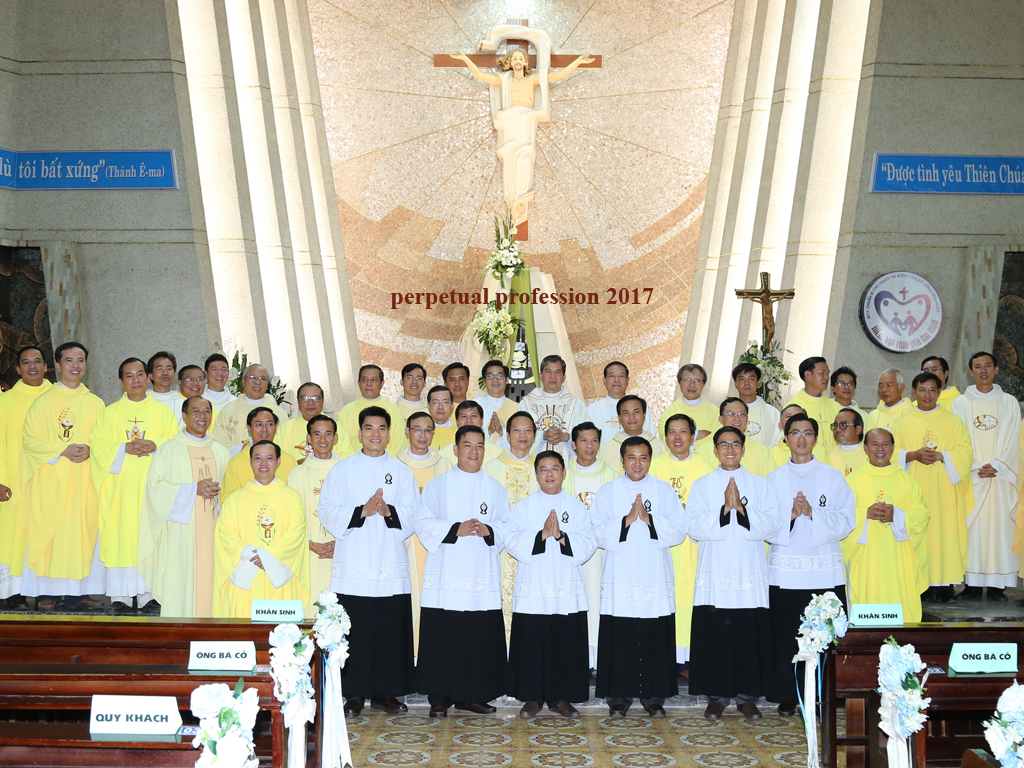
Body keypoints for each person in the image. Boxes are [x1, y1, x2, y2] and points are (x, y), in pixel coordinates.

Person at [318, 407, 418, 716]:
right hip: (354, 564)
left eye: (382, 428)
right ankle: (354, 693)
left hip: (390, 562)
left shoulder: (401, 472)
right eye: (369, 428)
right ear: (359, 433)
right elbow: (327, 510)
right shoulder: (342, 470)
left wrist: (388, 511)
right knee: (355, 631)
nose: (376, 434)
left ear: (389, 433)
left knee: (389, 631)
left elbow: (414, 513)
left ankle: (386, 693)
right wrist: (362, 511)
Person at [685, 426, 783, 721]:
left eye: (735, 444)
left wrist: (741, 509)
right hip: (715, 573)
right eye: (724, 444)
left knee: (747, 636)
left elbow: (774, 525)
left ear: (743, 448)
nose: (730, 449)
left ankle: (747, 697)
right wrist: (723, 511)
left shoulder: (760, 485)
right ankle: (717, 697)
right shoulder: (702, 485)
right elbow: (692, 527)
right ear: (715, 450)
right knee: (716, 637)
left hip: (749, 573)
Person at [414, 425, 510, 718]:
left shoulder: (495, 489)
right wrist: (456, 528)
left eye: (479, 446)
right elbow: (422, 522)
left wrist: (488, 530)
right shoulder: (438, 486)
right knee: (444, 634)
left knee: (477, 635)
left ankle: (473, 696)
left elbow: (507, 528)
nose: (474, 451)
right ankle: (439, 697)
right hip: (446, 573)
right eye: (467, 445)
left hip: (480, 573)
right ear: (455, 449)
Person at [765, 415, 855, 715]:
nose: (801, 439)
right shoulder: (774, 479)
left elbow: (847, 520)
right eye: (795, 433)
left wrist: (814, 513)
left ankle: (822, 693)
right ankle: (787, 694)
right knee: (786, 636)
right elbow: (764, 524)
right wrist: (791, 515)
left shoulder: (832, 477)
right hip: (786, 573)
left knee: (823, 637)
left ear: (816, 438)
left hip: (824, 573)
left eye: (807, 433)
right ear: (786, 438)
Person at [593, 436, 686, 718]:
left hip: (654, 573)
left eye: (643, 457)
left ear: (650, 460)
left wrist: (649, 519)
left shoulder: (663, 490)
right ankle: (618, 699)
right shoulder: (608, 491)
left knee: (654, 636)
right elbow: (595, 532)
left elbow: (680, 531)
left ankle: (654, 697)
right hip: (620, 574)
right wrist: (626, 520)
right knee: (620, 637)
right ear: (622, 460)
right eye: (631, 457)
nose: (637, 463)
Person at [506, 451, 596, 719]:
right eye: (543, 469)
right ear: (536, 474)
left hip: (565, 587)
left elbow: (588, 544)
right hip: (533, 586)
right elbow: (511, 542)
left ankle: (562, 698)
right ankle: (532, 697)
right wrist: (542, 535)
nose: (549, 474)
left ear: (564, 473)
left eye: (555, 469)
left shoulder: (576, 508)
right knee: (532, 644)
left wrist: (561, 536)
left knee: (566, 644)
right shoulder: (523, 507)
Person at [18, 342, 106, 611]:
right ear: (57, 365)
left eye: (80, 360)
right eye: (69, 360)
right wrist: (62, 450)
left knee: (82, 535)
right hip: (51, 480)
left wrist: (92, 450)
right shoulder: (43, 402)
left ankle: (78, 593)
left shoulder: (96, 403)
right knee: (51, 533)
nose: (75, 366)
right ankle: (47, 593)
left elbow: (106, 442)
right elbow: (29, 440)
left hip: (85, 482)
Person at [90, 358, 179, 614]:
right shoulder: (109, 413)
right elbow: (97, 447)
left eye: (140, 374)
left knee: (150, 538)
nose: (135, 380)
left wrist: (155, 444)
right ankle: (121, 595)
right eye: (129, 376)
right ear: (121, 382)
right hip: (120, 492)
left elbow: (176, 445)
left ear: (148, 377)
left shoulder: (163, 412)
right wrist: (123, 448)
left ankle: (149, 593)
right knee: (121, 539)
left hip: (152, 491)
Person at [137, 396, 229, 617]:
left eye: (206, 411)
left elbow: (229, 492)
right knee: (182, 584)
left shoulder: (221, 451)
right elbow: (154, 489)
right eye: (195, 411)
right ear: (184, 416)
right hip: (180, 534)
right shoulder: (168, 450)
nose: (202, 416)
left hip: (214, 531)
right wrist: (193, 489)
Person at [891, 372, 974, 603]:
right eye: (922, 389)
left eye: (931, 390)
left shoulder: (953, 422)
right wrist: (912, 455)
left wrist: (943, 455)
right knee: (918, 533)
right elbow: (891, 452)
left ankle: (945, 584)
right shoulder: (902, 422)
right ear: (913, 392)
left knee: (944, 534)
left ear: (939, 392)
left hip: (945, 491)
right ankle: (920, 584)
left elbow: (966, 452)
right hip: (914, 490)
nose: (927, 394)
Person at [950, 352, 1021, 600]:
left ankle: (998, 586)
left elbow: (1016, 438)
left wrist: (999, 465)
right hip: (973, 477)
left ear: (997, 370)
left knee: (1001, 528)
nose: (983, 371)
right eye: (978, 367)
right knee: (971, 530)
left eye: (988, 366)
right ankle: (971, 584)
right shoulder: (959, 404)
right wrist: (976, 465)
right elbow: (956, 440)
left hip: (1001, 478)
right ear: (970, 372)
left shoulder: (1009, 402)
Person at [212, 441, 310, 618]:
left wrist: (267, 557)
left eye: (269, 458)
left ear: (278, 462)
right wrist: (252, 554)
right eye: (258, 458)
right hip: (245, 578)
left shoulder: (292, 497)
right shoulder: (234, 499)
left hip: (280, 578)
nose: (263, 464)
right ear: (250, 461)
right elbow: (225, 534)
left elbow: (296, 534)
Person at [842, 429, 929, 622]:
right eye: (874, 444)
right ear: (865, 448)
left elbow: (922, 516)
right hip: (864, 559)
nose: (880, 449)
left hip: (899, 559)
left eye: (885, 444)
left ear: (893, 448)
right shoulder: (851, 482)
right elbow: (839, 517)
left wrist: (897, 515)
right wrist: (864, 514)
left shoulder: (908, 482)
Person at [649, 414, 712, 673]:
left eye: (683, 431)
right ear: (665, 437)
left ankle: (688, 658)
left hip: (694, 549)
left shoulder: (707, 468)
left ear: (693, 436)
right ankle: (663, 656)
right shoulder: (653, 466)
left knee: (690, 599)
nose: (677, 437)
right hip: (663, 546)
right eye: (672, 432)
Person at [395, 411, 454, 653]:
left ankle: (431, 654)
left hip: (437, 544)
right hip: (403, 543)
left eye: (428, 430)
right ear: (407, 431)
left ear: (433, 433)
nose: (422, 435)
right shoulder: (395, 465)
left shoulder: (445, 465)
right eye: (417, 429)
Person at [0, 346, 52, 609]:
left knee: (48, 533)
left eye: (37, 361)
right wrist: (1, 478)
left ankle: (48, 591)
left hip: (50, 480)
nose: (33, 367)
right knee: (14, 535)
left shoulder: (57, 397)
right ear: (18, 369)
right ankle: (13, 592)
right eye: (26, 363)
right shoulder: (6, 400)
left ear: (46, 367)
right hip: (14, 479)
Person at [562, 422, 617, 670]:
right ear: (573, 444)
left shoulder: (612, 476)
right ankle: (577, 658)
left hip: (603, 554)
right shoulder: (563, 476)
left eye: (594, 440)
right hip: (571, 551)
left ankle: (599, 658)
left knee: (600, 601)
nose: (589, 445)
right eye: (583, 440)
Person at [485, 412, 539, 639]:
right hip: (499, 548)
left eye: (528, 430)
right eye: (516, 430)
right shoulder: (490, 468)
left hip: (532, 547)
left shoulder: (544, 468)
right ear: (507, 435)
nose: (522, 435)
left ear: (535, 436)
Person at [286, 414, 343, 617]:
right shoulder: (296, 474)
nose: (323, 439)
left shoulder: (347, 470)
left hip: (342, 551)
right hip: (308, 552)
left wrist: (341, 543)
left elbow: (357, 512)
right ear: (308, 438)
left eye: (328, 434)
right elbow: (291, 515)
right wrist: (309, 542)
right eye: (317, 434)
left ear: (336, 438)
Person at [517, 355, 587, 459]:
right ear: (541, 376)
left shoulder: (576, 405)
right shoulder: (526, 404)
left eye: (557, 372)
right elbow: (517, 436)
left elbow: (588, 436)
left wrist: (567, 437)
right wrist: (542, 436)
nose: (553, 376)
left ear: (564, 377)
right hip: (534, 464)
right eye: (548, 371)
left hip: (567, 465)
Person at [221, 408, 297, 496]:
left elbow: (295, 495)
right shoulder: (235, 462)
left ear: (275, 428)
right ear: (249, 429)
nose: (264, 429)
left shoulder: (289, 461)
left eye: (269, 424)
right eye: (258, 425)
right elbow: (227, 498)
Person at [212, 364, 289, 450]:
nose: (257, 382)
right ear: (243, 381)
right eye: (252, 377)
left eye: (262, 378)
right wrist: (242, 448)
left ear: (267, 385)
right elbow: (218, 442)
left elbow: (287, 443)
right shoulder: (228, 410)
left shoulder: (279, 413)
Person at [697, 398, 775, 476]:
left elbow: (771, 481)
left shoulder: (762, 451)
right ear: (721, 419)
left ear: (747, 418)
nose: (737, 419)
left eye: (741, 414)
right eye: (731, 414)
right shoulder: (705, 450)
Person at [278, 382, 352, 464]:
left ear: (323, 401)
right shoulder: (285, 429)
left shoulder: (334, 427)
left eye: (316, 398)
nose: (310, 402)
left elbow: (347, 460)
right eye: (305, 398)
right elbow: (276, 460)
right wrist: (298, 465)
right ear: (298, 401)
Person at [337, 366, 405, 452]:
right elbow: (340, 445)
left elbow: (399, 445)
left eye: (374, 380)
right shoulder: (346, 411)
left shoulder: (394, 411)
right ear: (359, 383)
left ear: (382, 383)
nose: (369, 384)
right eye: (365, 379)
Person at [587, 361, 654, 437]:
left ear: (628, 380)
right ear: (604, 380)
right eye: (612, 376)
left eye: (621, 376)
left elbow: (650, 436)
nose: (616, 380)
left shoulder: (639, 407)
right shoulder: (592, 410)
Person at [599, 395, 665, 469]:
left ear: (644, 415)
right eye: (626, 413)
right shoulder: (606, 450)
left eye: (636, 412)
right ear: (619, 418)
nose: (631, 417)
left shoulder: (661, 448)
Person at [792, 357, 841, 453]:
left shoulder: (836, 407)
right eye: (822, 373)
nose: (826, 378)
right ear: (808, 375)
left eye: (827, 373)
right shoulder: (793, 407)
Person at [658, 364, 716, 442]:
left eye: (697, 380)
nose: (692, 385)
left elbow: (719, 440)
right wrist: (697, 435)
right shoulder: (669, 412)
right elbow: (666, 440)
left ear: (703, 384)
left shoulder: (715, 412)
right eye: (687, 380)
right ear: (679, 382)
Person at [732, 363, 781, 448]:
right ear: (736, 384)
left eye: (751, 379)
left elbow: (779, 440)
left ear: (758, 383)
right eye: (742, 379)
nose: (747, 383)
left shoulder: (773, 413)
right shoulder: (727, 411)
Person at [478, 360, 518, 443]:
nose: (495, 380)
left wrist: (501, 431)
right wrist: (489, 431)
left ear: (507, 380)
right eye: (490, 376)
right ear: (484, 381)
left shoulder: (517, 408)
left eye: (500, 376)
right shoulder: (474, 405)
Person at [828, 408, 868, 476]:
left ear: (858, 429)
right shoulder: (829, 457)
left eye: (843, 424)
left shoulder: (869, 456)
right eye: (836, 425)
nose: (837, 429)